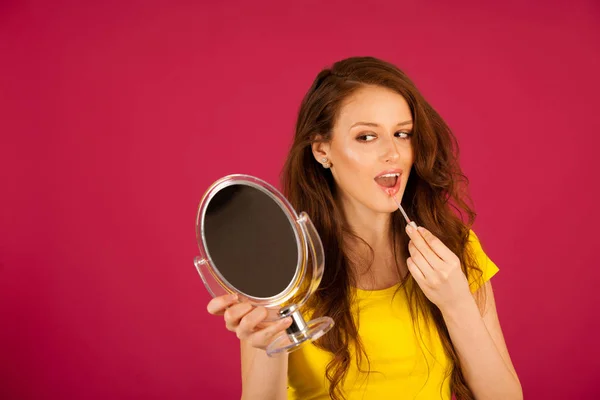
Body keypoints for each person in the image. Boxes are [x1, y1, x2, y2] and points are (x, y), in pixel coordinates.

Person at [206, 56, 522, 400]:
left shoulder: (454, 249)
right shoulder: (282, 268)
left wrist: (457, 302)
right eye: (367, 136)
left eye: (403, 134)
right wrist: (270, 342)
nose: (394, 153)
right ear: (322, 150)